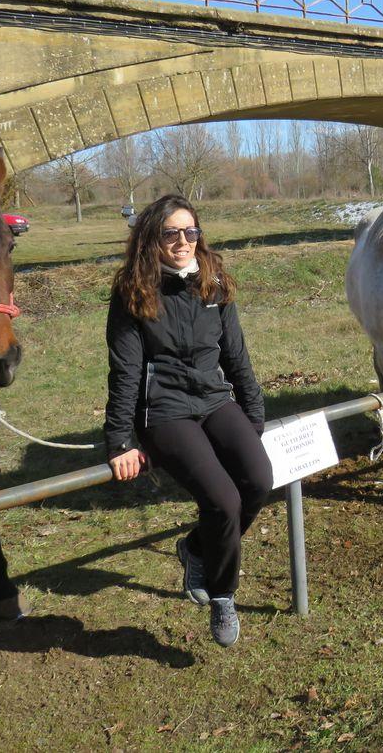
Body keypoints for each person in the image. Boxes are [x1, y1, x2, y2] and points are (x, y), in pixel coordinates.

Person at [103, 195, 271, 647]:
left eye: (190, 232)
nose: (183, 241)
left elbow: (236, 356)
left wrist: (253, 416)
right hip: (166, 410)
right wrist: (120, 439)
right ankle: (222, 595)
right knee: (223, 501)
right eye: (171, 233)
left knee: (258, 480)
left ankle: (196, 546)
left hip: (214, 399)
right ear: (152, 240)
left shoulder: (212, 284)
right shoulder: (133, 293)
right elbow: (125, 372)